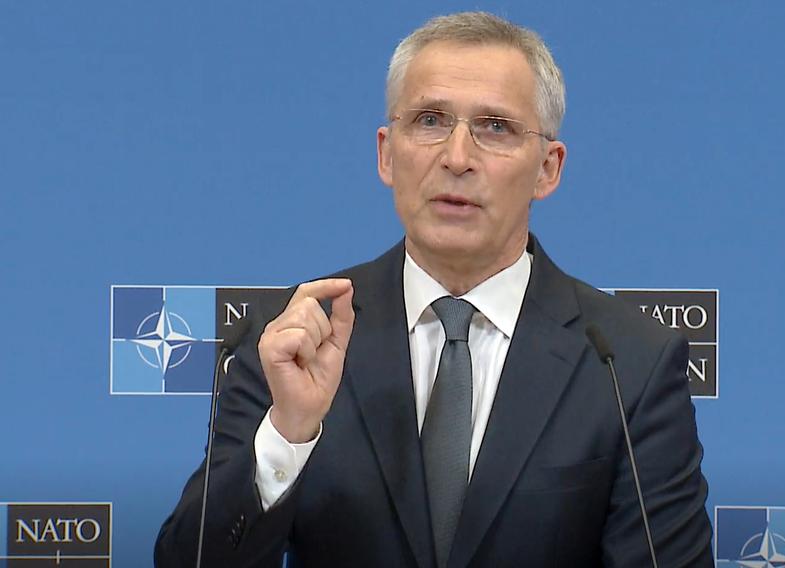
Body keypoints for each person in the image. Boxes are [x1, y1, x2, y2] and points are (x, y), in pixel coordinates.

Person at [155, 11, 713, 567]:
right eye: (429, 120)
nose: (457, 157)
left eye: (495, 126)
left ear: (548, 168)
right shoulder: (297, 336)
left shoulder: (626, 364)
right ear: (387, 153)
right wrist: (287, 436)